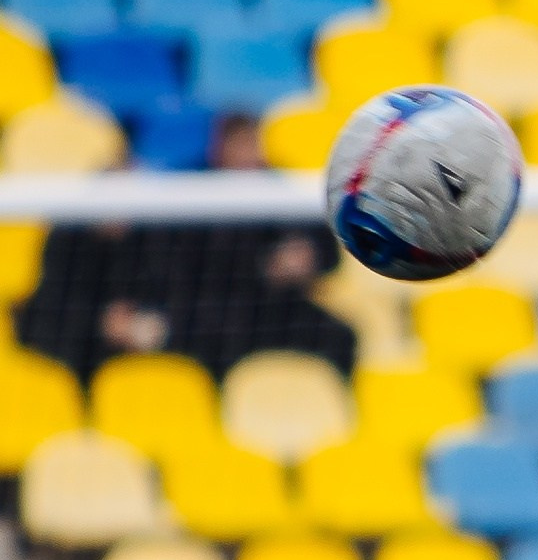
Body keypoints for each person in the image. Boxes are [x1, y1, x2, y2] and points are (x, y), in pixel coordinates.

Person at [14, 114, 353, 381]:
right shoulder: (73, 235)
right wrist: (104, 322)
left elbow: (326, 251)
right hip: (90, 345)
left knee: (335, 335)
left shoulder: (274, 189)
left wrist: (305, 258)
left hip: (258, 311)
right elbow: (49, 306)